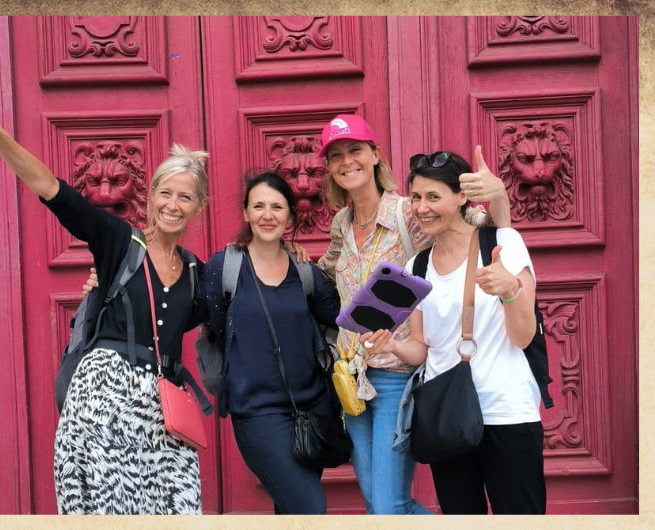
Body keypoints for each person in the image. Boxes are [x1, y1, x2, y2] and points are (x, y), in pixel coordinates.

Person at [0, 52, 210, 514]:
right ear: (150, 198)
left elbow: (243, 310)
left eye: (185, 197)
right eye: (165, 193)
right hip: (101, 402)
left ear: (199, 206)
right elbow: (53, 190)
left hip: (163, 414)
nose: (173, 204)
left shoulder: (197, 272)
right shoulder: (118, 241)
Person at [316, 114, 513, 514]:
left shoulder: (410, 212)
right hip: (351, 379)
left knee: (389, 508)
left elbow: (485, 230)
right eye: (336, 155)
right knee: (376, 506)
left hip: (396, 376)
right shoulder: (342, 223)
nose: (346, 161)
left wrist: (498, 197)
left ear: (374, 155)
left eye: (355, 150)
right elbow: (325, 271)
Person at [359, 150, 545, 514]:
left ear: (462, 197)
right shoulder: (418, 264)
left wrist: (509, 290)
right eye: (416, 197)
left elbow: (523, 338)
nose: (421, 208)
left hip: (506, 412)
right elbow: (422, 348)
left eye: (433, 197)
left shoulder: (502, 243)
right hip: (447, 419)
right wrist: (392, 348)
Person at [201, 171, 341, 514]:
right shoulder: (225, 267)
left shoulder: (304, 270)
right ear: (246, 213)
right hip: (258, 413)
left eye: (277, 206)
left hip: (311, 410)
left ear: (290, 215)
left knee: (289, 509)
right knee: (310, 509)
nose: (268, 214)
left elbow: (340, 314)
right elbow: (214, 325)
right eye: (258, 206)